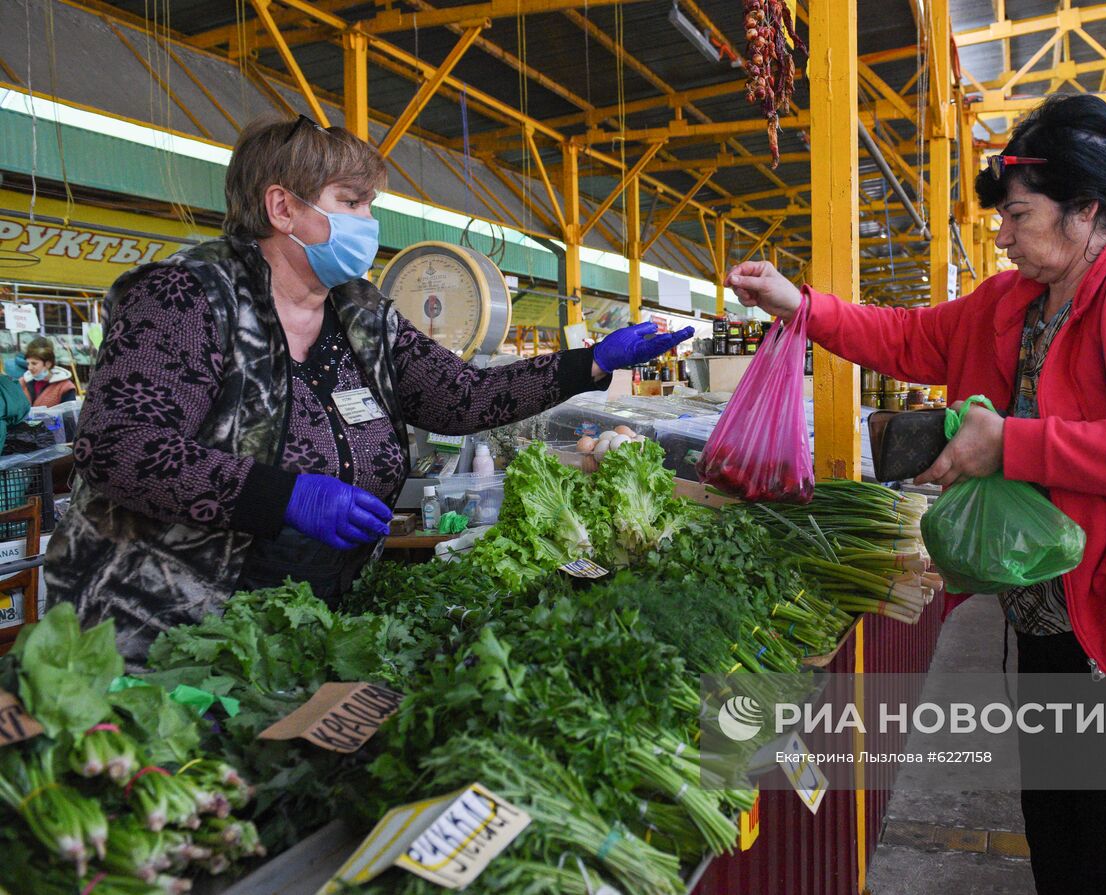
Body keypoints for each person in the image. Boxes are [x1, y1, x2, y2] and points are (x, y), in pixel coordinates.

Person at [728, 93, 1106, 895]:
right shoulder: (1015, 301)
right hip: (1050, 609)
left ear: (1085, 211)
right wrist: (800, 307)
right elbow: (907, 337)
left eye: (1020, 215)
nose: (1002, 235)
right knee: (1064, 833)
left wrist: (1013, 441)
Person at [46, 114, 691, 661]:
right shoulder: (187, 299)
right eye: (351, 202)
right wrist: (282, 496)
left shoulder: (362, 313)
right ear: (282, 208)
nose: (368, 220)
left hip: (304, 619)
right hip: (164, 625)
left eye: (368, 204)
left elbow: (461, 398)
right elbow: (119, 447)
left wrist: (591, 364)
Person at [20, 340, 77, 407]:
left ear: (48, 364)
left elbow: (69, 414)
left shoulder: (65, 387)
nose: (29, 367)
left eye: (34, 363)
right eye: (28, 363)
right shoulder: (22, 382)